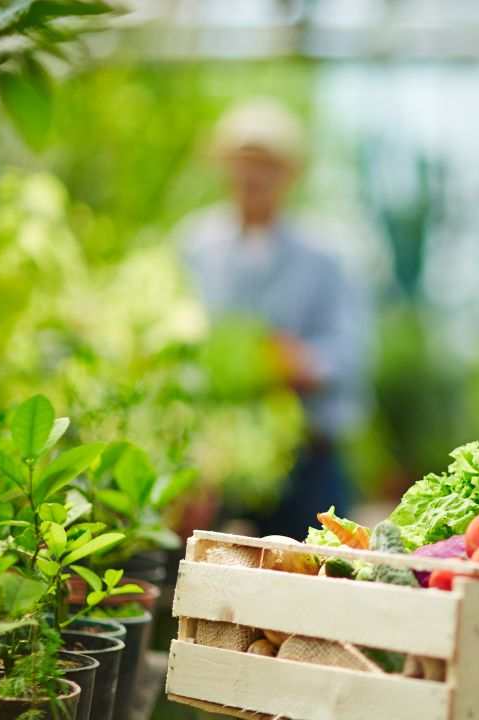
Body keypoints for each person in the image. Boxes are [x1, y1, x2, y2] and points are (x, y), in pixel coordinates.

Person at [177, 98, 371, 539]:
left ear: (290, 175)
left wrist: (294, 362)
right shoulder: (195, 245)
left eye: (267, 165)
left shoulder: (325, 255)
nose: (252, 177)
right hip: (213, 458)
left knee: (308, 578)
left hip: (308, 459)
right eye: (243, 163)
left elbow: (351, 354)